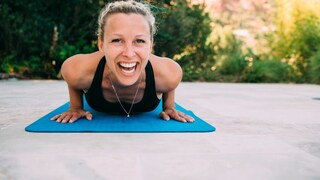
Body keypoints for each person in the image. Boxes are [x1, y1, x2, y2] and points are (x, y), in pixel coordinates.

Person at [51, 0, 194, 123]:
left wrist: (169, 106)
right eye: (117, 40)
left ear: (150, 45)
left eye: (139, 41)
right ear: (101, 44)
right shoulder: (76, 71)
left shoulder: (169, 75)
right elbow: (72, 77)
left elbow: (169, 84)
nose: (129, 53)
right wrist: (75, 106)